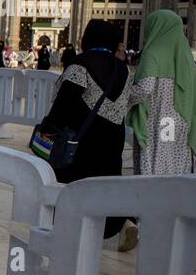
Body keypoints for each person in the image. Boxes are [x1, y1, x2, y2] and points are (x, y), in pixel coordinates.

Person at [34, 19, 136, 249]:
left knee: (75, 187)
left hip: (81, 141)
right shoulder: (124, 70)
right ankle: (120, 223)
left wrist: (48, 130)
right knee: (107, 183)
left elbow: (64, 104)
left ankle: (74, 235)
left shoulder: (81, 64)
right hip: (112, 140)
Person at [128, 9, 196, 179]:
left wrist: (124, 97)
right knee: (175, 170)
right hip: (179, 124)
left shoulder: (153, 53)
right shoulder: (186, 58)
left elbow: (145, 88)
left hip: (157, 123)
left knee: (153, 171)